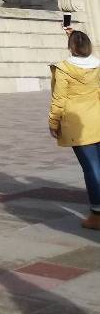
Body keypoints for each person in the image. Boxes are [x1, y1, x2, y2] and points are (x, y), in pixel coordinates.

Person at [49, 28, 100, 229]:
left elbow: (59, 99)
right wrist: (73, 35)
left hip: (77, 123)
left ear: (71, 48)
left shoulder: (64, 69)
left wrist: (53, 123)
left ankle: (97, 215)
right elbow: (85, 55)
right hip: (97, 118)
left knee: (92, 168)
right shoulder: (96, 65)